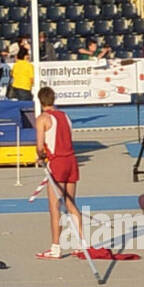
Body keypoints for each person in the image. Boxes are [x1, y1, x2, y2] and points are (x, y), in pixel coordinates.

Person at [34, 86, 85, 259]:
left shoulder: (42, 118)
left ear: (40, 102)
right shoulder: (65, 116)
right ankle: (81, 244)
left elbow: (40, 146)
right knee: (71, 203)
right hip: (72, 160)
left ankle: (55, 247)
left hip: (58, 162)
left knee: (55, 207)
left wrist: (40, 157)